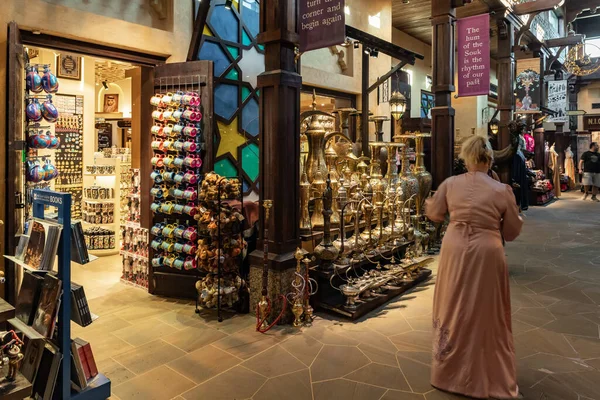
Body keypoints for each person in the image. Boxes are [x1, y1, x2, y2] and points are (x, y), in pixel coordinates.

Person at [425, 135, 523, 399]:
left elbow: (433, 213)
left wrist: (452, 216)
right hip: (487, 250)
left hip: (455, 246)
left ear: (465, 158)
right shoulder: (501, 190)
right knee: (486, 309)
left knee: (453, 304)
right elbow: (512, 231)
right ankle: (486, 373)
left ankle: (448, 373)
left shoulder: (450, 184)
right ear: (489, 159)